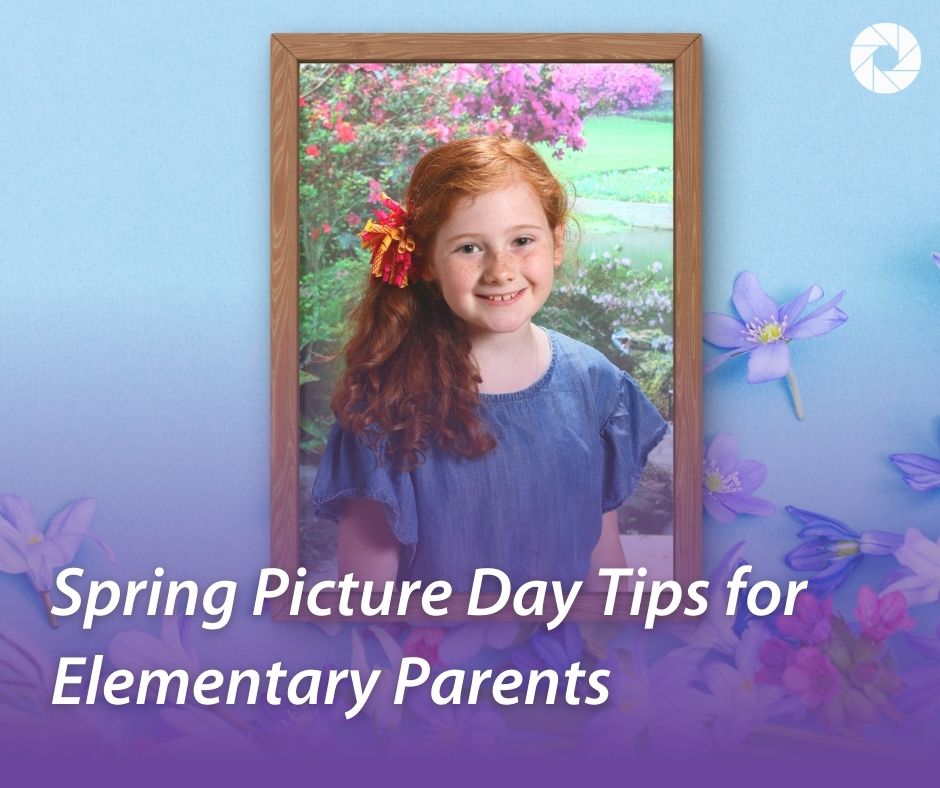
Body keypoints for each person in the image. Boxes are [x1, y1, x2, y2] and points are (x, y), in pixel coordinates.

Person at [312, 136, 667, 592]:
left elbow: (603, 563)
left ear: (556, 242)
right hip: (434, 663)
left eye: (522, 240)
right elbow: (366, 602)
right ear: (425, 261)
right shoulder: (386, 404)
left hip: (568, 659)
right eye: (469, 248)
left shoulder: (596, 383)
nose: (501, 269)